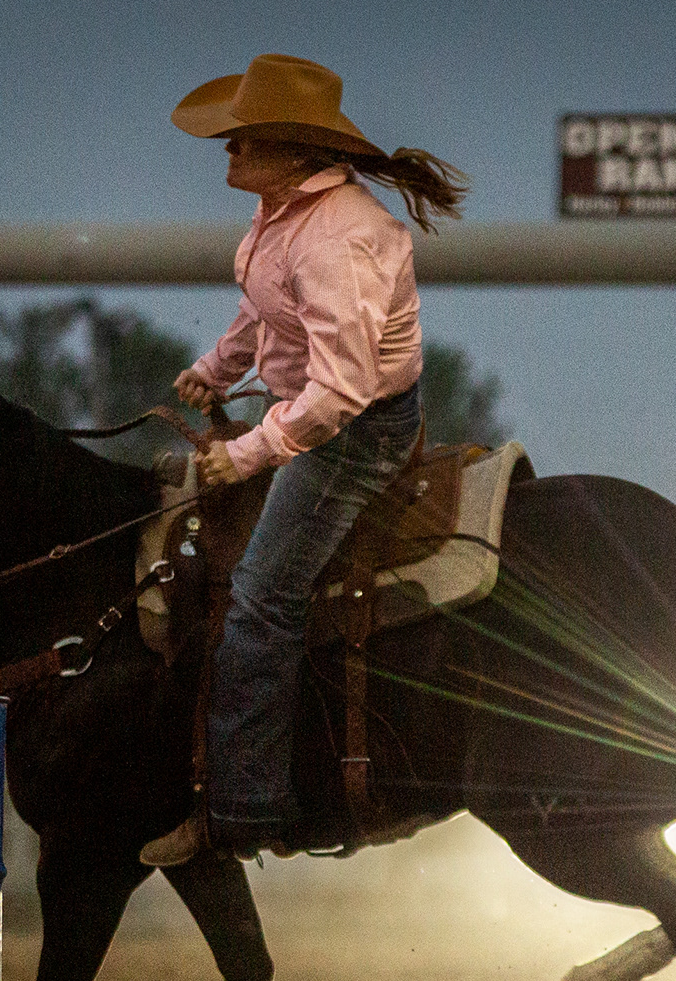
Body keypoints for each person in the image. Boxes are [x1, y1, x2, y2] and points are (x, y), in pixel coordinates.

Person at [142, 54, 467, 867]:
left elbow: (341, 392)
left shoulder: (338, 240)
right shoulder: (283, 212)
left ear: (293, 151)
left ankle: (246, 809)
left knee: (260, 598)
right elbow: (266, 309)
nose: (229, 150)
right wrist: (218, 367)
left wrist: (250, 454)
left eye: (244, 139)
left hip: (355, 432)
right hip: (317, 411)